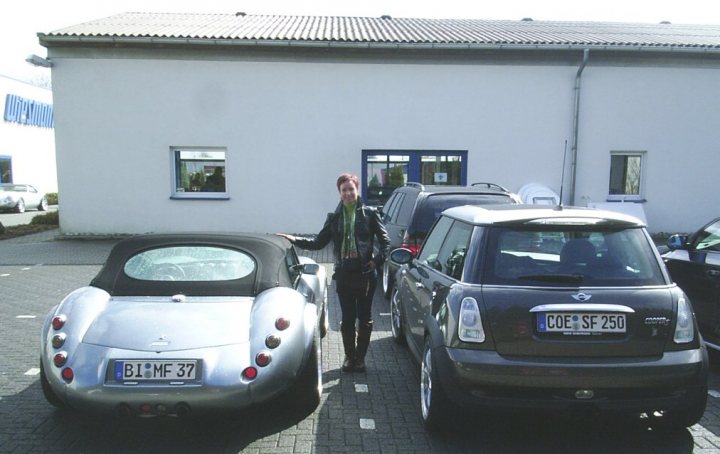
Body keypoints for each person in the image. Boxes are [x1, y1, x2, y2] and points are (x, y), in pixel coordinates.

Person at [278, 173, 390, 373]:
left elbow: (386, 242)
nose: (348, 193)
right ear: (339, 193)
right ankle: (349, 357)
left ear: (357, 190)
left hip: (366, 274)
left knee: (364, 318)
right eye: (344, 190)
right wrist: (293, 238)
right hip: (344, 274)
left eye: (351, 189)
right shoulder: (335, 217)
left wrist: (376, 261)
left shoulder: (370, 213)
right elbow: (318, 242)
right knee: (347, 320)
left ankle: (360, 359)